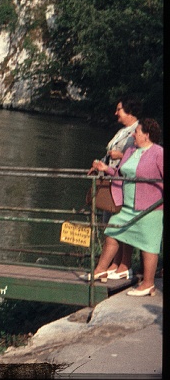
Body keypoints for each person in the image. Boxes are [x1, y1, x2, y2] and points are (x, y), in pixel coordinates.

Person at [89, 118, 163, 296]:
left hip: (150, 208)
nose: (132, 135)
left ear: (146, 135)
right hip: (128, 206)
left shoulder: (159, 153)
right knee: (112, 234)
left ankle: (148, 284)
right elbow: (120, 174)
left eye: (136, 132)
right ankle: (99, 271)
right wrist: (105, 168)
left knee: (148, 245)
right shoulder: (130, 150)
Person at [87, 96, 141, 278]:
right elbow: (109, 154)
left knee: (118, 223)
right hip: (111, 181)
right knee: (110, 222)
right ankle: (116, 263)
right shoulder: (122, 131)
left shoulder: (138, 131)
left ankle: (123, 264)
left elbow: (137, 156)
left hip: (122, 183)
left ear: (129, 111)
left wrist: (121, 154)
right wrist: (98, 165)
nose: (115, 113)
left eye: (119, 109)